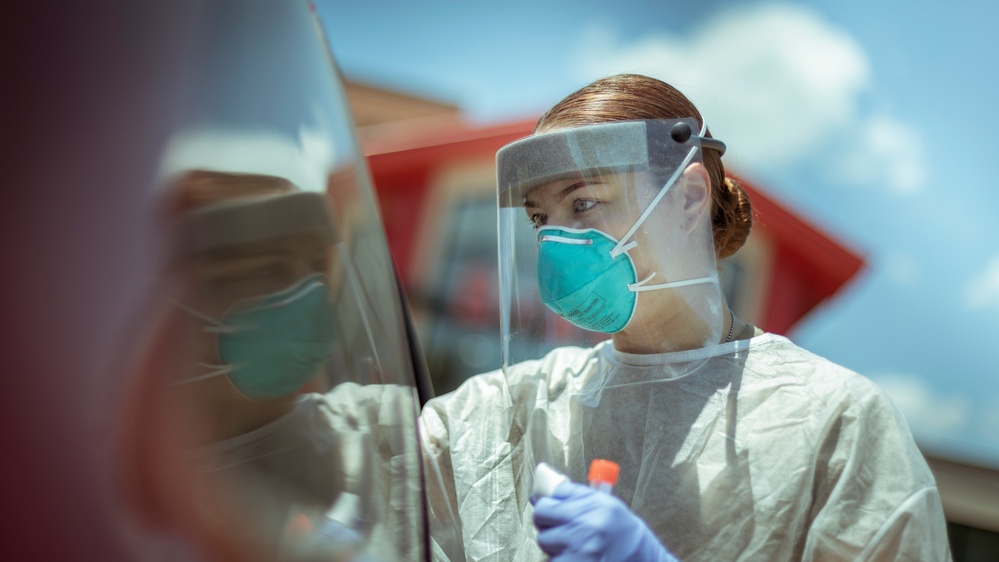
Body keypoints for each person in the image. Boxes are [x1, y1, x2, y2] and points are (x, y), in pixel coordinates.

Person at [420, 74, 952, 561]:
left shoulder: (834, 422)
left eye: (583, 204)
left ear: (689, 198)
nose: (554, 241)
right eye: (540, 218)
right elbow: (364, 463)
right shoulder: (505, 412)